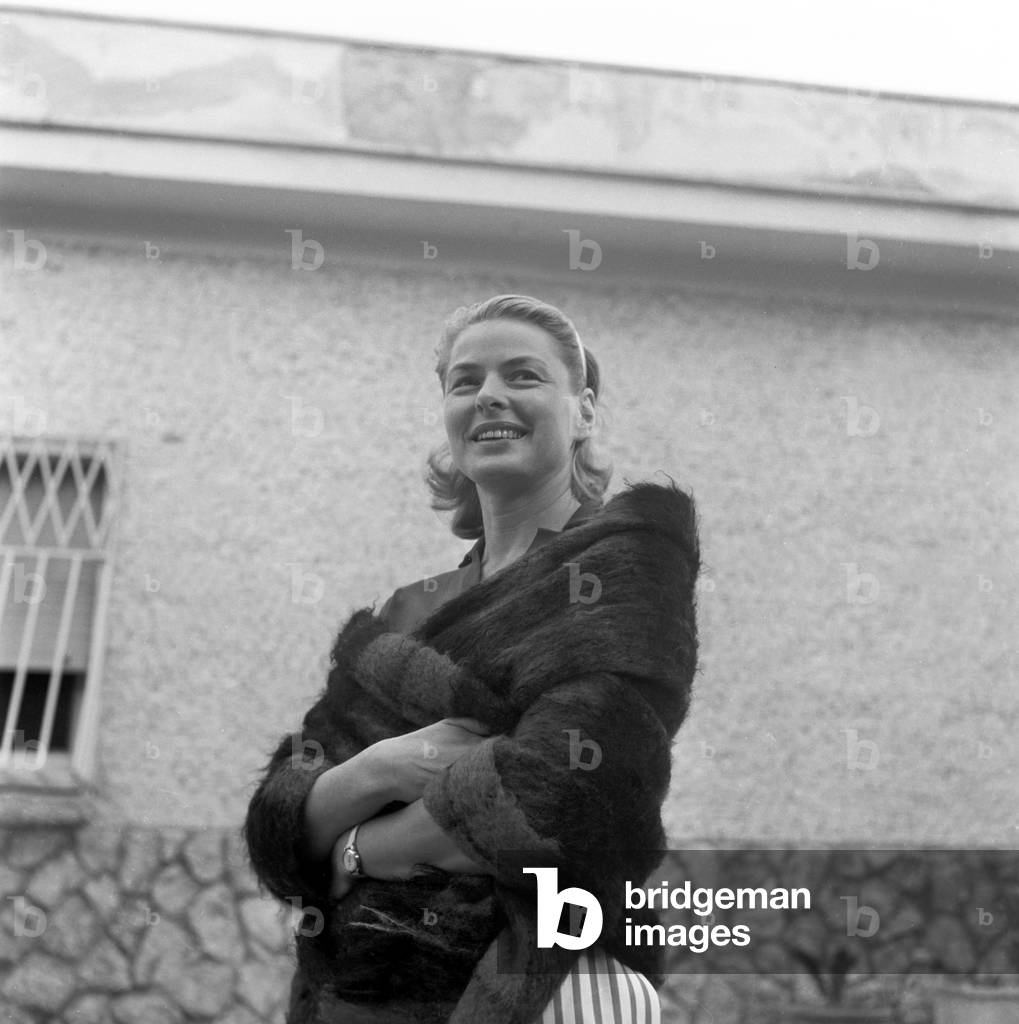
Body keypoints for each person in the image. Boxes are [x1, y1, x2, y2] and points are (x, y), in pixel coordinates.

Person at [244, 294, 700, 1024]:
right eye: (465, 382)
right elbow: (282, 806)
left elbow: (556, 798)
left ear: (582, 411)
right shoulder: (407, 612)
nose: (489, 395)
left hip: (543, 978)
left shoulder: (623, 572)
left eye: (522, 376)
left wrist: (355, 849)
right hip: (361, 986)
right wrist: (383, 767)